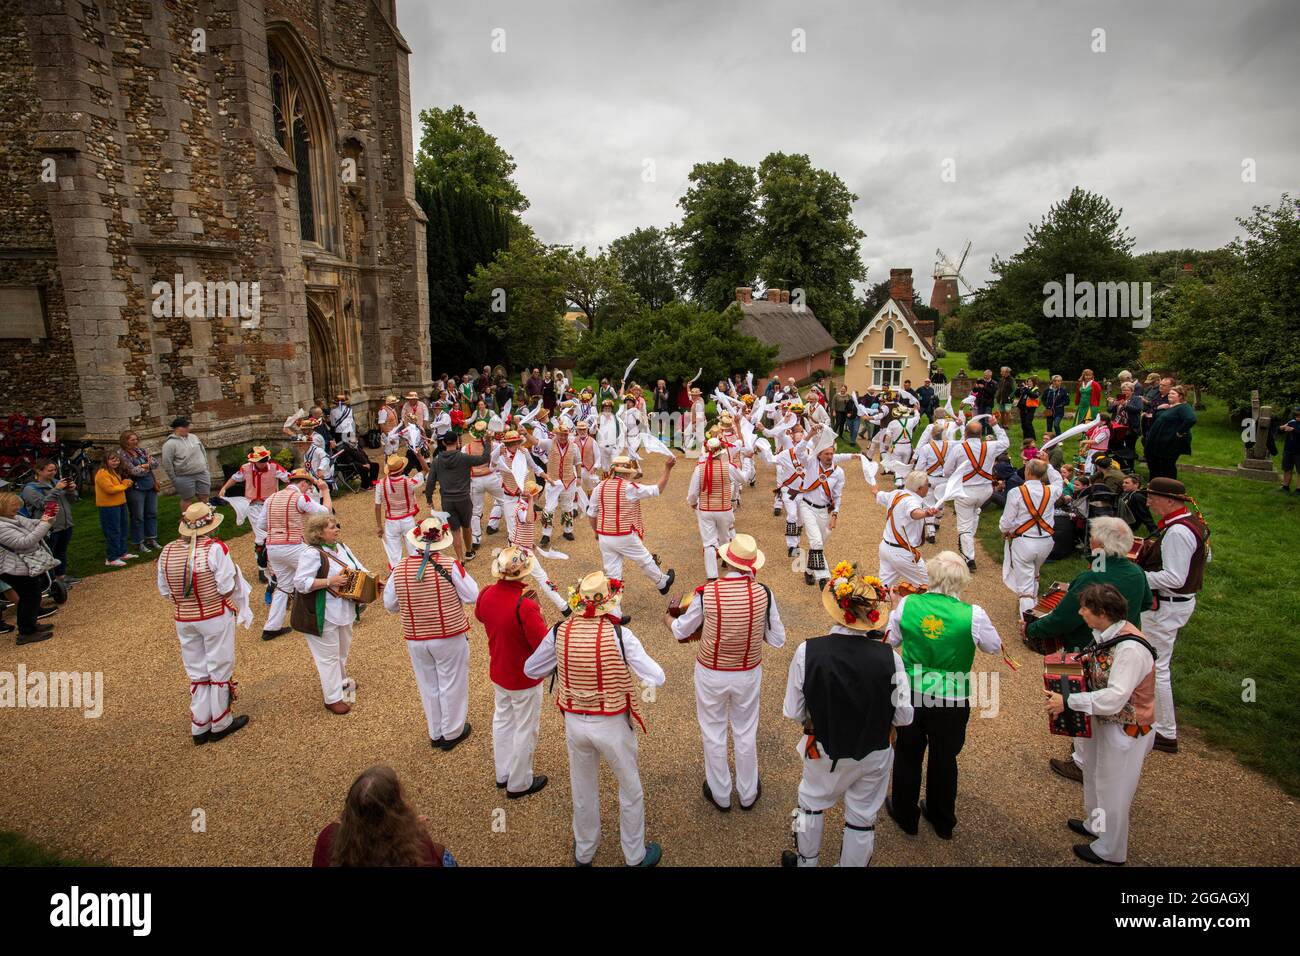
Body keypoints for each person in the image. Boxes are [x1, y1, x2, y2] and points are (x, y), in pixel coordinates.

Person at [524, 571, 666, 867]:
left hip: (575, 721)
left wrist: (564, 665)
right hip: (612, 722)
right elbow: (657, 676)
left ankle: (585, 851)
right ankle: (634, 855)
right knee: (629, 788)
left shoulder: (558, 631)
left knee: (582, 786)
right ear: (609, 602)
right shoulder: (620, 635)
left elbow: (531, 669)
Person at [780, 567, 911, 867]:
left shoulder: (807, 651)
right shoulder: (891, 658)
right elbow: (904, 716)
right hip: (874, 750)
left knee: (810, 804)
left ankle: (805, 862)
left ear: (837, 609)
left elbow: (793, 710)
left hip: (823, 746)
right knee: (863, 817)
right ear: (871, 616)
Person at [1023, 516, 1153, 783]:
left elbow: (1064, 618)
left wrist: (1033, 629)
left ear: (1101, 544)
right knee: (1112, 695)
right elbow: (1147, 603)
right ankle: (1100, 754)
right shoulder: (1137, 573)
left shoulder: (1092, 576)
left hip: (1086, 647)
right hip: (1124, 642)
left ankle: (1082, 762)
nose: (1090, 541)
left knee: (1081, 696)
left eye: (1093, 538)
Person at [886, 551, 1002, 840]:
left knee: (908, 753)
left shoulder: (909, 603)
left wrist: (895, 611)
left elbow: (893, 640)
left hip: (912, 690)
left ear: (932, 577)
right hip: (951, 696)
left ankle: (905, 813)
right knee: (945, 757)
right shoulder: (973, 614)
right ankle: (942, 819)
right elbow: (993, 646)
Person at [668, 534, 786, 812]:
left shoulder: (707, 593)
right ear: (752, 565)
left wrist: (668, 619)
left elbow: (681, 630)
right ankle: (747, 793)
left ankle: (720, 793)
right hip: (747, 670)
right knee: (745, 730)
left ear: (725, 562)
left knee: (713, 729)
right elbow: (778, 639)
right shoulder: (764, 593)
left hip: (711, 671)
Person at [1044, 583, 1157, 865]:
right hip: (1104, 722)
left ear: (1103, 612)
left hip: (1127, 728)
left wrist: (1068, 701)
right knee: (1094, 772)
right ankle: (1096, 823)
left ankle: (1112, 849)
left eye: (1085, 608)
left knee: (1114, 785)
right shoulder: (1108, 634)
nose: (1080, 612)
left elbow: (1116, 698)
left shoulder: (1130, 649)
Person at [156, 501, 253, 743]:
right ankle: (220, 721)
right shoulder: (215, 549)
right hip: (213, 615)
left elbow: (165, 590)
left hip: (183, 617)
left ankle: (199, 725)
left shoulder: (167, 551)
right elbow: (226, 586)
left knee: (197, 670)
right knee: (219, 666)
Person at [383, 515, 479, 747]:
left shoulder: (400, 568)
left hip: (416, 637)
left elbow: (390, 605)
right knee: (452, 682)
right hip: (448, 634)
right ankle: (453, 731)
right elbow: (473, 594)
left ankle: (436, 731)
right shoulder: (449, 565)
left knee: (428, 685)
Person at [1134, 477, 1206, 755]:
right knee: (1154, 662)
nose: (1149, 501)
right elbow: (1203, 558)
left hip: (1167, 605)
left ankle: (1165, 730)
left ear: (1170, 501)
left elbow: (1175, 577)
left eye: (1153, 497)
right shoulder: (1190, 521)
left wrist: (1137, 576)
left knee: (1157, 666)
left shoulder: (1178, 531)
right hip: (1175, 603)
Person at [474, 546, 549, 797]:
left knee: (503, 721)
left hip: (499, 670)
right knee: (525, 727)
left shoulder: (485, 594)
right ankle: (519, 782)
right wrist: (537, 612)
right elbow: (542, 643)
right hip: (524, 677)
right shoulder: (525, 606)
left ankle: (503, 772)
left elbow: (481, 616)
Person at [292, 513, 370, 715]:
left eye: (337, 526)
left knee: (342, 649)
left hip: (344, 609)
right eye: (331, 527)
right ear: (319, 533)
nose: (337, 530)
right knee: (327, 657)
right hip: (322, 613)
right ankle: (332, 698)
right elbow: (301, 583)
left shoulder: (342, 548)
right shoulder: (311, 554)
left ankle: (343, 681)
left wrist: (372, 581)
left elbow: (359, 568)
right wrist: (330, 581)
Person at [313, 765, 456, 867]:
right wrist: (411, 831)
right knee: (444, 854)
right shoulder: (418, 848)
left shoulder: (328, 837)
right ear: (396, 813)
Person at [257, 468, 333, 641]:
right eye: (307, 486)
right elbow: (325, 513)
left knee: (283, 585)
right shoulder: (299, 498)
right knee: (324, 568)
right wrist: (325, 491)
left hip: (273, 547)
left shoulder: (271, 498)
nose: (308, 489)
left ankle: (271, 627)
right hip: (292, 545)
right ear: (303, 483)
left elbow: (262, 524)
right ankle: (338, 609)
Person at [587, 454, 676, 596]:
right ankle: (662, 583)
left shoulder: (599, 487)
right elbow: (658, 489)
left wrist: (596, 532)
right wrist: (667, 468)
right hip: (624, 535)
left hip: (604, 535)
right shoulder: (629, 487)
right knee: (644, 559)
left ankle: (615, 612)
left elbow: (591, 514)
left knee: (612, 574)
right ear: (627, 474)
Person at [999, 458, 1062, 616]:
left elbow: (1007, 521)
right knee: (1034, 574)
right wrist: (1049, 464)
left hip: (1024, 542)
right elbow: (1058, 480)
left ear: (1027, 471)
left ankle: (1027, 624)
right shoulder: (1051, 491)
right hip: (1046, 543)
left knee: (1025, 587)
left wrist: (1004, 530)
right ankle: (1035, 609)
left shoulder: (1016, 492)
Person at [946, 417, 1010, 571]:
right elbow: (1006, 442)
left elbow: (947, 471)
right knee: (975, 513)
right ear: (980, 435)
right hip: (985, 492)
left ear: (966, 434)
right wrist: (995, 426)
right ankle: (967, 541)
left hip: (965, 492)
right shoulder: (990, 447)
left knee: (964, 525)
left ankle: (969, 558)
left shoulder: (958, 449)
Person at [425, 430, 494, 562]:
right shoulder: (464, 457)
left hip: (447, 500)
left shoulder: (437, 461)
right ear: (457, 442)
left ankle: (460, 558)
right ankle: (469, 552)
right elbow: (484, 459)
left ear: (444, 442)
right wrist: (488, 443)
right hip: (463, 498)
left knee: (455, 531)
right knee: (466, 526)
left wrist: (429, 499)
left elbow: (430, 482)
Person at [0, 491, 57, 644]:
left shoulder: (14, 518)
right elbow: (25, 542)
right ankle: (26, 632)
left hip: (19, 566)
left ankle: (30, 626)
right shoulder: (2, 526)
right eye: (13, 505)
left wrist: (48, 518)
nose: (17, 507)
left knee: (32, 596)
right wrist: (45, 523)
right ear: (3, 507)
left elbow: (33, 524)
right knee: (29, 597)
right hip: (11, 568)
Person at [869, 470, 939, 588]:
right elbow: (913, 513)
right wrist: (925, 513)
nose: (929, 487)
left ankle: (879, 605)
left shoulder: (896, 493)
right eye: (928, 485)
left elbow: (878, 494)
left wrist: (874, 488)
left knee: (884, 589)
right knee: (929, 586)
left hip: (886, 549)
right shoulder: (912, 500)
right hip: (903, 554)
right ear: (919, 489)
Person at [686, 437, 743, 580]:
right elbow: (742, 479)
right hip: (724, 509)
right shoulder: (728, 467)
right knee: (725, 537)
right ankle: (729, 565)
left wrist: (692, 503)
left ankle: (712, 576)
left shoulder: (699, 469)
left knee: (709, 542)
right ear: (721, 452)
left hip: (706, 510)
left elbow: (693, 492)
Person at [21, 459, 78, 587]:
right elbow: (42, 504)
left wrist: (71, 490)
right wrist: (56, 490)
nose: (54, 473)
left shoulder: (57, 483)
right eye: (50, 470)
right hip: (48, 527)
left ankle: (61, 577)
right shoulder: (30, 489)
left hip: (65, 524)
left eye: (55, 470)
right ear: (39, 471)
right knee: (48, 554)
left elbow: (73, 501)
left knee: (61, 551)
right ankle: (50, 583)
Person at [371, 454, 422, 570]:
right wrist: (420, 458)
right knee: (414, 551)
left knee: (394, 556)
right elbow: (425, 471)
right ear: (402, 468)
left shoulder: (380, 484)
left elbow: (377, 506)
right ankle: (416, 575)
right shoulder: (409, 482)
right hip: (408, 519)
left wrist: (379, 526)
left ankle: (396, 578)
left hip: (391, 522)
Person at [118, 431, 160, 553]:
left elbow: (155, 463)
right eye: (132, 440)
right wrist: (147, 466)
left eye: (136, 439)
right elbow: (132, 471)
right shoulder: (122, 455)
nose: (135, 442)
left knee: (151, 513)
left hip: (150, 486)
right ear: (125, 441)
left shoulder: (141, 451)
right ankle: (138, 542)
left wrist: (144, 466)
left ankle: (151, 538)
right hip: (135, 488)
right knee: (138, 516)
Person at [1143, 386, 1196, 480]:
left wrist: (1180, 432)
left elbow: (1191, 419)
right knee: (1153, 461)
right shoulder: (1168, 406)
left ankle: (1168, 487)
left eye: (1173, 393)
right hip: (1157, 440)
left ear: (1180, 396)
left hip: (1169, 442)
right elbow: (1158, 418)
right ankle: (1155, 484)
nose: (1169, 395)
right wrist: (1159, 408)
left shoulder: (1183, 407)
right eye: (1169, 393)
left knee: (1166, 465)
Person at [93, 449, 135, 567]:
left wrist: (124, 482)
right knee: (113, 531)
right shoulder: (102, 473)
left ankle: (121, 552)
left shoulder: (113, 472)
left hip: (119, 503)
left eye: (117, 459)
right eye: (112, 460)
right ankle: (111, 557)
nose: (116, 462)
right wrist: (124, 485)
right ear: (106, 461)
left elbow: (116, 486)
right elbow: (110, 489)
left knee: (122, 529)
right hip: (108, 507)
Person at [161, 417, 211, 511]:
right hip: (184, 476)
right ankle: (188, 520)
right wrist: (174, 478)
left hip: (202, 472)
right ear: (177, 428)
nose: (188, 428)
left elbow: (202, 452)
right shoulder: (169, 444)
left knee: (204, 496)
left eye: (187, 426)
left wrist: (206, 467)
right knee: (187, 499)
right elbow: (167, 463)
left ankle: (206, 516)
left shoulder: (194, 437)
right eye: (185, 427)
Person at [1278, 406, 1300, 493]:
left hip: (1299, 452)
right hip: (1288, 450)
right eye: (1297, 414)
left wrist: (1293, 430)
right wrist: (1281, 428)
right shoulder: (1292, 422)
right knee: (1287, 469)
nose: (1297, 415)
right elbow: (1280, 432)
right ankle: (1285, 487)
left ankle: (1298, 490)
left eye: (1299, 414)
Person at [1016, 376, 1041, 442]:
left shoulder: (1036, 390)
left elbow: (1033, 395)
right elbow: (1018, 395)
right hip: (1023, 407)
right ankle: (1026, 438)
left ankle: (1033, 438)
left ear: (1034, 382)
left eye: (1030, 381)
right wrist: (1018, 389)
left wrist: (1026, 389)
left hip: (1030, 408)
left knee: (1028, 423)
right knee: (1023, 424)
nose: (1028, 383)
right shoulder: (1026, 388)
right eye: (1028, 381)